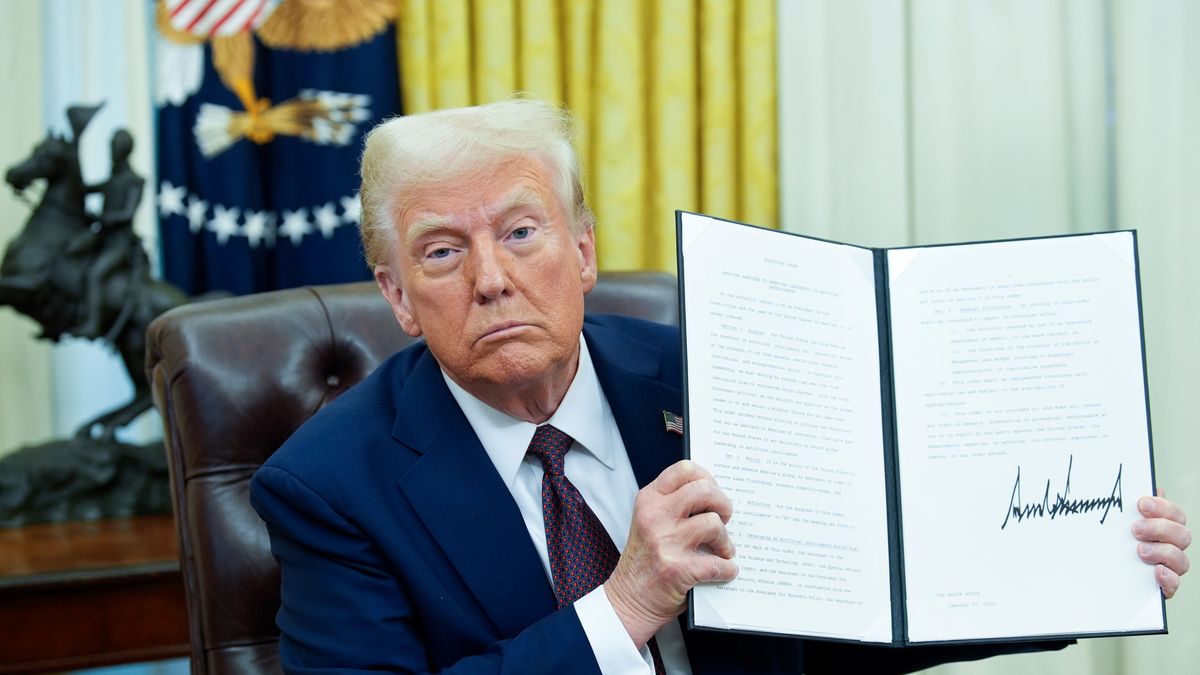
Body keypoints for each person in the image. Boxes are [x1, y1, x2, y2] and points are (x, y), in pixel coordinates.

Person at [250, 99, 1191, 674]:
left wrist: (1077, 569)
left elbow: (857, 612)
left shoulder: (718, 377)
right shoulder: (331, 486)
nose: (491, 277)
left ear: (583, 250)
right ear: (398, 295)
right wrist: (624, 606)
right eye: (443, 251)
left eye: (522, 232)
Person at [67, 128, 148, 342]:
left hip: (119, 243)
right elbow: (82, 189)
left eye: (116, 147)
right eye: (111, 146)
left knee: (95, 274)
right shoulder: (112, 179)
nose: (112, 151)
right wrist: (74, 151)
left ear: (124, 150)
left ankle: (92, 323)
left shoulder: (134, 181)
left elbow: (127, 214)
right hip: (101, 238)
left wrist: (103, 218)